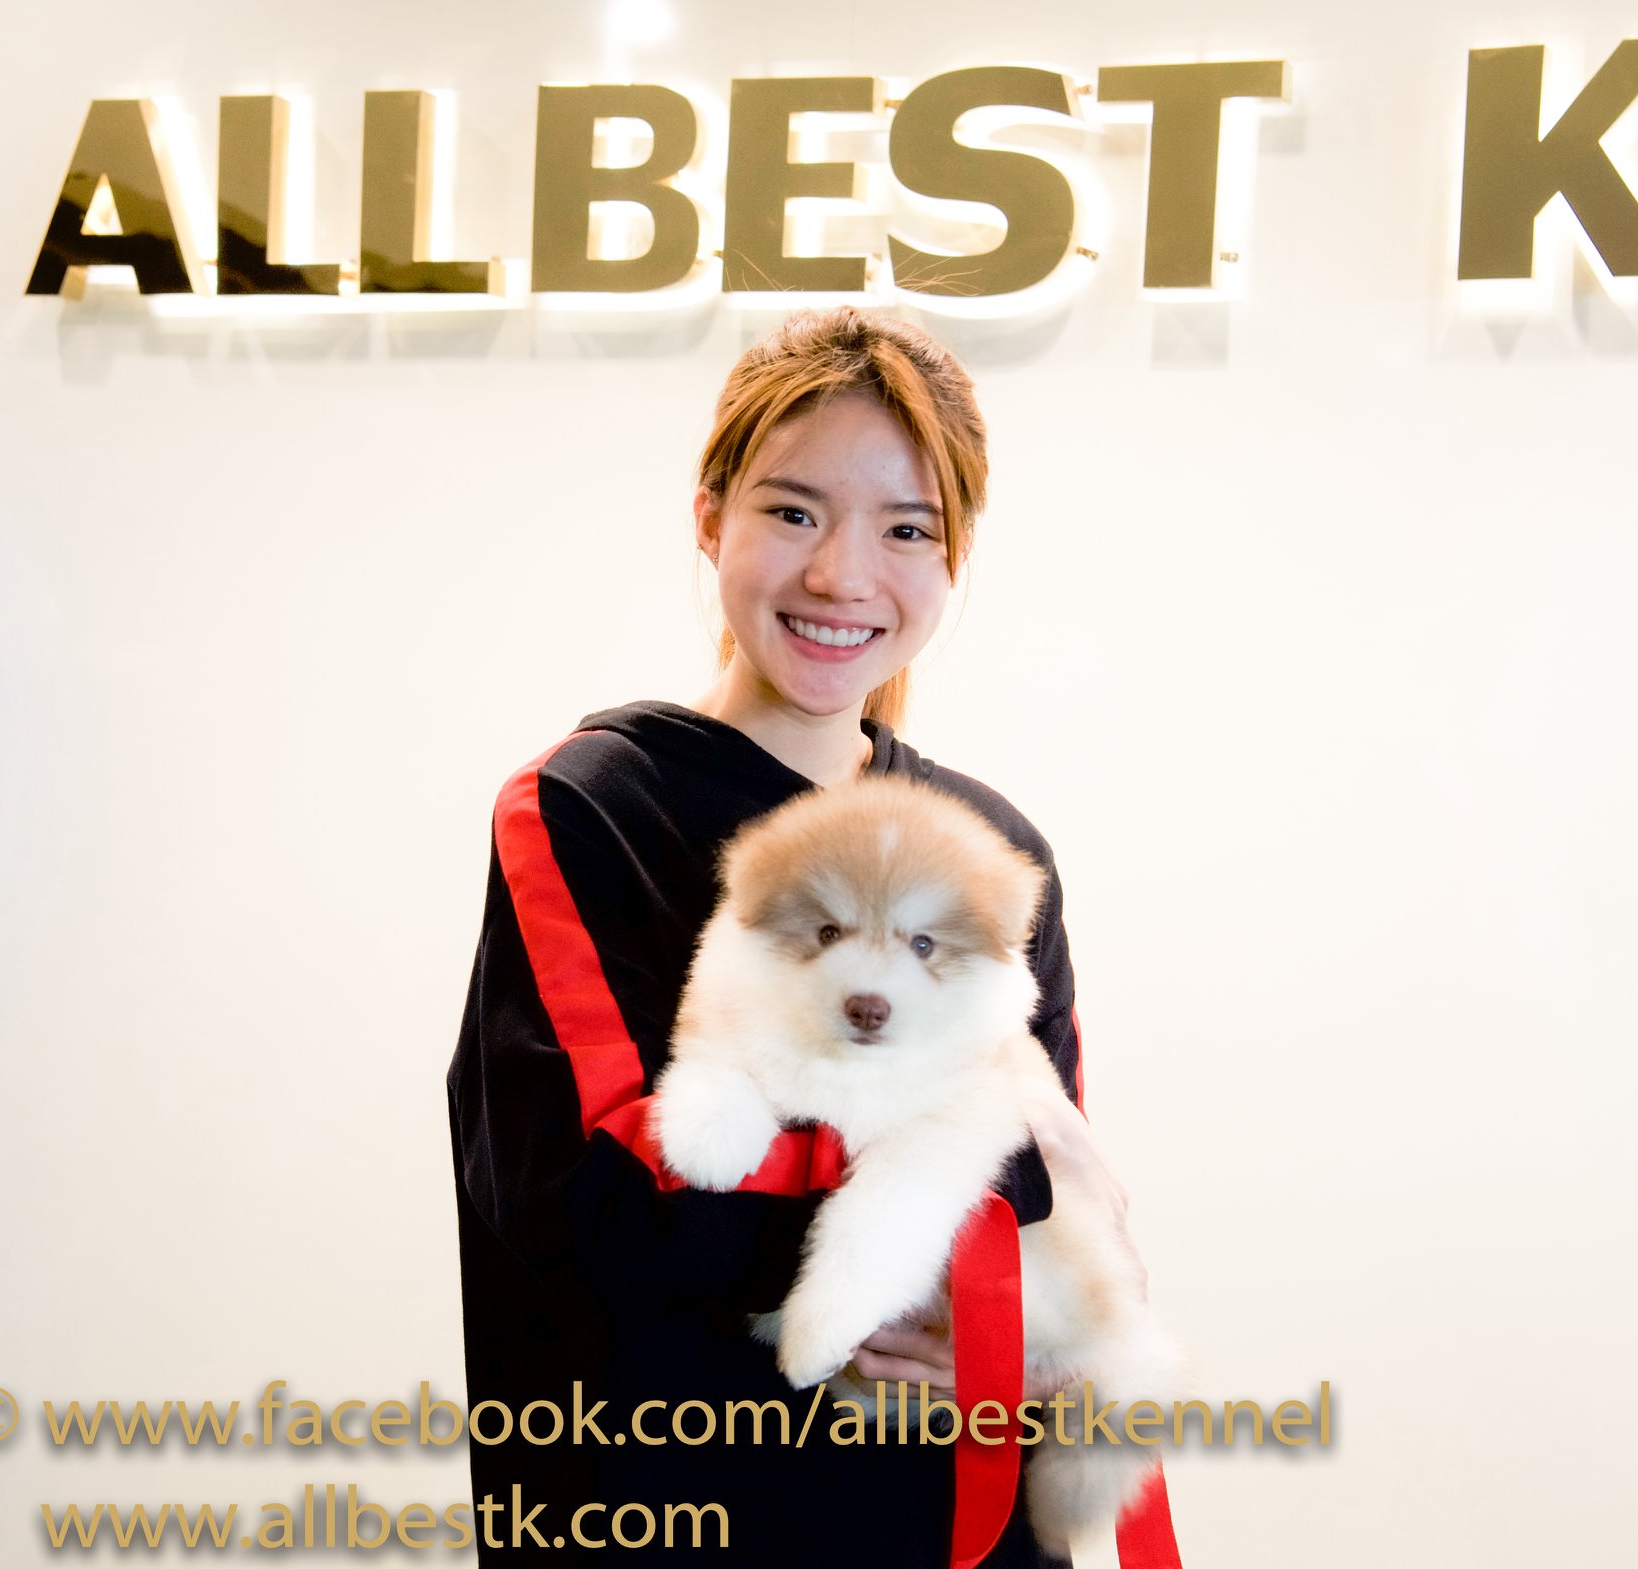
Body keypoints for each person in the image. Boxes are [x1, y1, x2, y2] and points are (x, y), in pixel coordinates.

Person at [446, 307, 1136, 1566]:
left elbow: (1059, 1209)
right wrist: (967, 1206)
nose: (841, 576)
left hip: (957, 1531)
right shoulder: (590, 807)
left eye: (907, 528)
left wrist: (1020, 1321)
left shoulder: (990, 853)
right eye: (794, 511)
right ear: (710, 516)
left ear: (953, 557)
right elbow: (597, 1202)